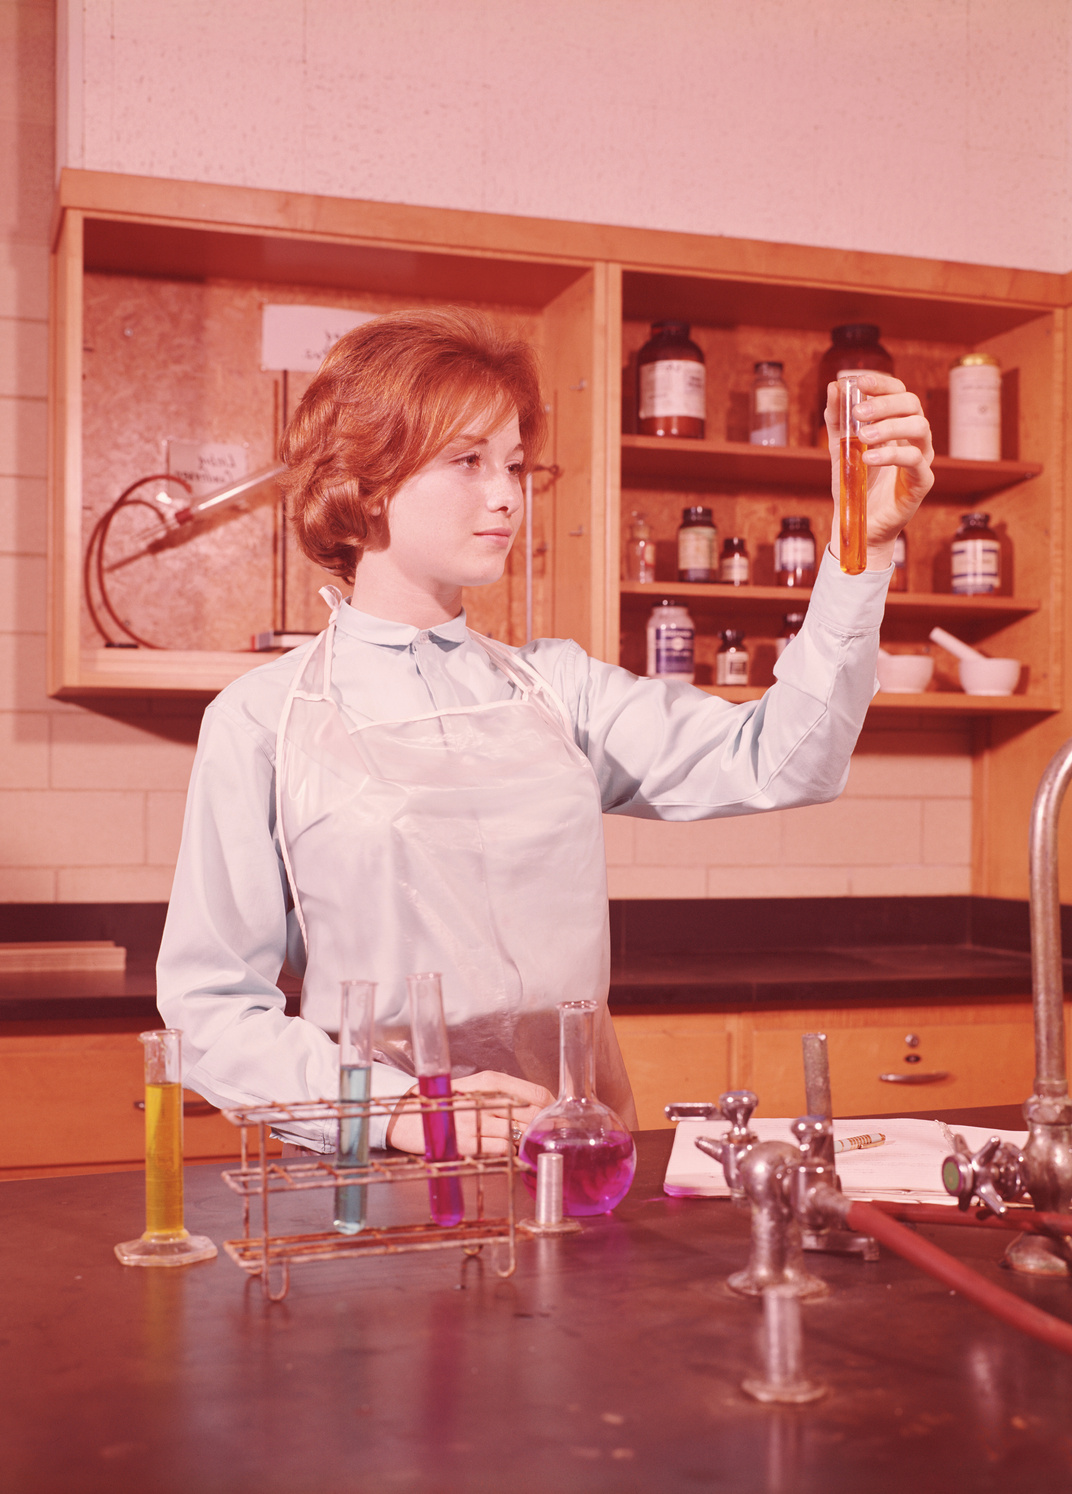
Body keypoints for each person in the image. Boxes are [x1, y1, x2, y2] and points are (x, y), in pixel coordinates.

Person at [157, 307, 934, 1156]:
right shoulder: (264, 718)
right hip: (378, 1178)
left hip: (575, 1154)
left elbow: (788, 760)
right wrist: (410, 1115)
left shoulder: (555, 689)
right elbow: (210, 1011)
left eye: (515, 465)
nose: (506, 495)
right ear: (367, 481)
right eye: (468, 462)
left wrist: (864, 542)